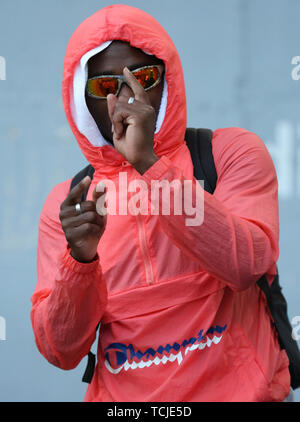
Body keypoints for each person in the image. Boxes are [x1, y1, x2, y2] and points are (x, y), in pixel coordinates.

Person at [30, 4, 291, 402]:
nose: (126, 98)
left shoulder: (230, 152)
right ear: (83, 100)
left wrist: (149, 165)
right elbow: (60, 351)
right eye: (104, 87)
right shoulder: (71, 203)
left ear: (167, 83)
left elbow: (245, 266)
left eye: (144, 78)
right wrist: (79, 263)